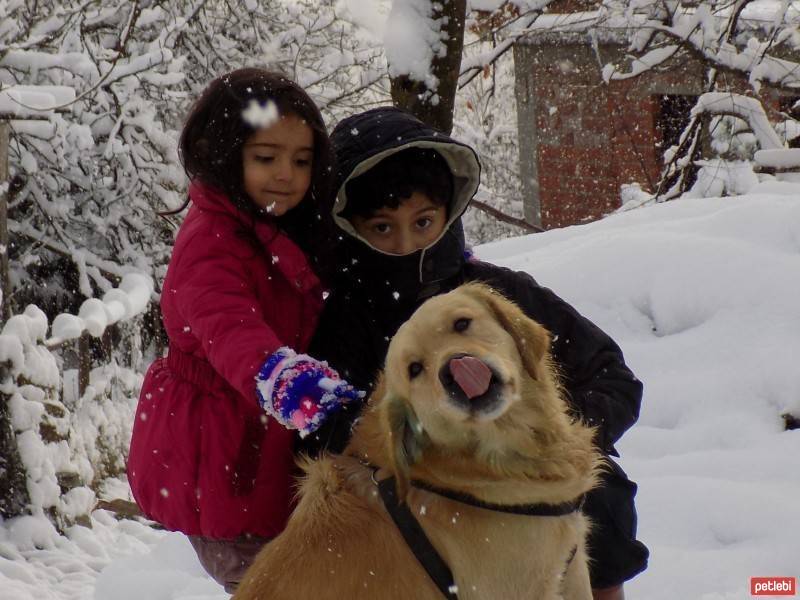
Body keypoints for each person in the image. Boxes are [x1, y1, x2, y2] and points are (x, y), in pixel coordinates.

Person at [304, 106, 649, 600]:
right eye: (382, 227)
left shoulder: (497, 293)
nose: (407, 243)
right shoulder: (345, 323)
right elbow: (326, 437)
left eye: (423, 221)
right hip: (431, 517)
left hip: (553, 508)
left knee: (603, 492)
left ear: (449, 213)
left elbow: (611, 376)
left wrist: (547, 436)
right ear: (349, 229)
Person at [126, 68, 361, 593]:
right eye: (266, 157)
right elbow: (229, 329)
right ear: (226, 156)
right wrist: (290, 383)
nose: (286, 175)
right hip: (222, 458)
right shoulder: (211, 239)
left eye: (302, 161)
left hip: (258, 443)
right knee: (265, 581)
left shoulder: (278, 225)